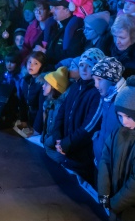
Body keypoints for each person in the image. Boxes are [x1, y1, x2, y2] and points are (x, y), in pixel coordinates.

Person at [96, 76, 135, 221]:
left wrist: (114, 204)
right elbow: (105, 161)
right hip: (114, 205)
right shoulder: (118, 132)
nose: (124, 121)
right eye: (120, 116)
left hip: (131, 210)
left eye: (129, 116)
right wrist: (104, 192)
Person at [46, 48, 104, 183]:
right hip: (65, 146)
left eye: (89, 66)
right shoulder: (75, 87)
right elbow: (62, 111)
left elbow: (89, 126)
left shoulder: (96, 93)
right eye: (82, 65)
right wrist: (58, 136)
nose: (84, 69)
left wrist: (68, 143)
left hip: (80, 154)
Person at [90, 57, 127, 166]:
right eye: (94, 80)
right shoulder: (106, 97)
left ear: (112, 79)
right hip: (101, 159)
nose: (95, 85)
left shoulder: (124, 100)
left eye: (99, 79)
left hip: (113, 164)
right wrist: (96, 141)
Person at [41, 0, 85, 67]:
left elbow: (70, 56)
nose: (52, 11)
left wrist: (46, 52)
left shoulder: (75, 30)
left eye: (56, 8)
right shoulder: (54, 26)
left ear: (67, 10)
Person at [17, 51, 51, 137]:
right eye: (29, 62)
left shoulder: (42, 84)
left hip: (38, 122)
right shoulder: (26, 80)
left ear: (42, 66)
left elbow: (41, 108)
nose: (31, 65)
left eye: (36, 63)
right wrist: (23, 120)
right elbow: (23, 102)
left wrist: (36, 129)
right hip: (29, 119)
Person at [41, 66, 69, 150]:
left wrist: (47, 143)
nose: (43, 86)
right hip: (48, 144)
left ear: (54, 88)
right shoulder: (48, 104)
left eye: (46, 84)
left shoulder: (59, 107)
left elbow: (55, 131)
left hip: (53, 146)